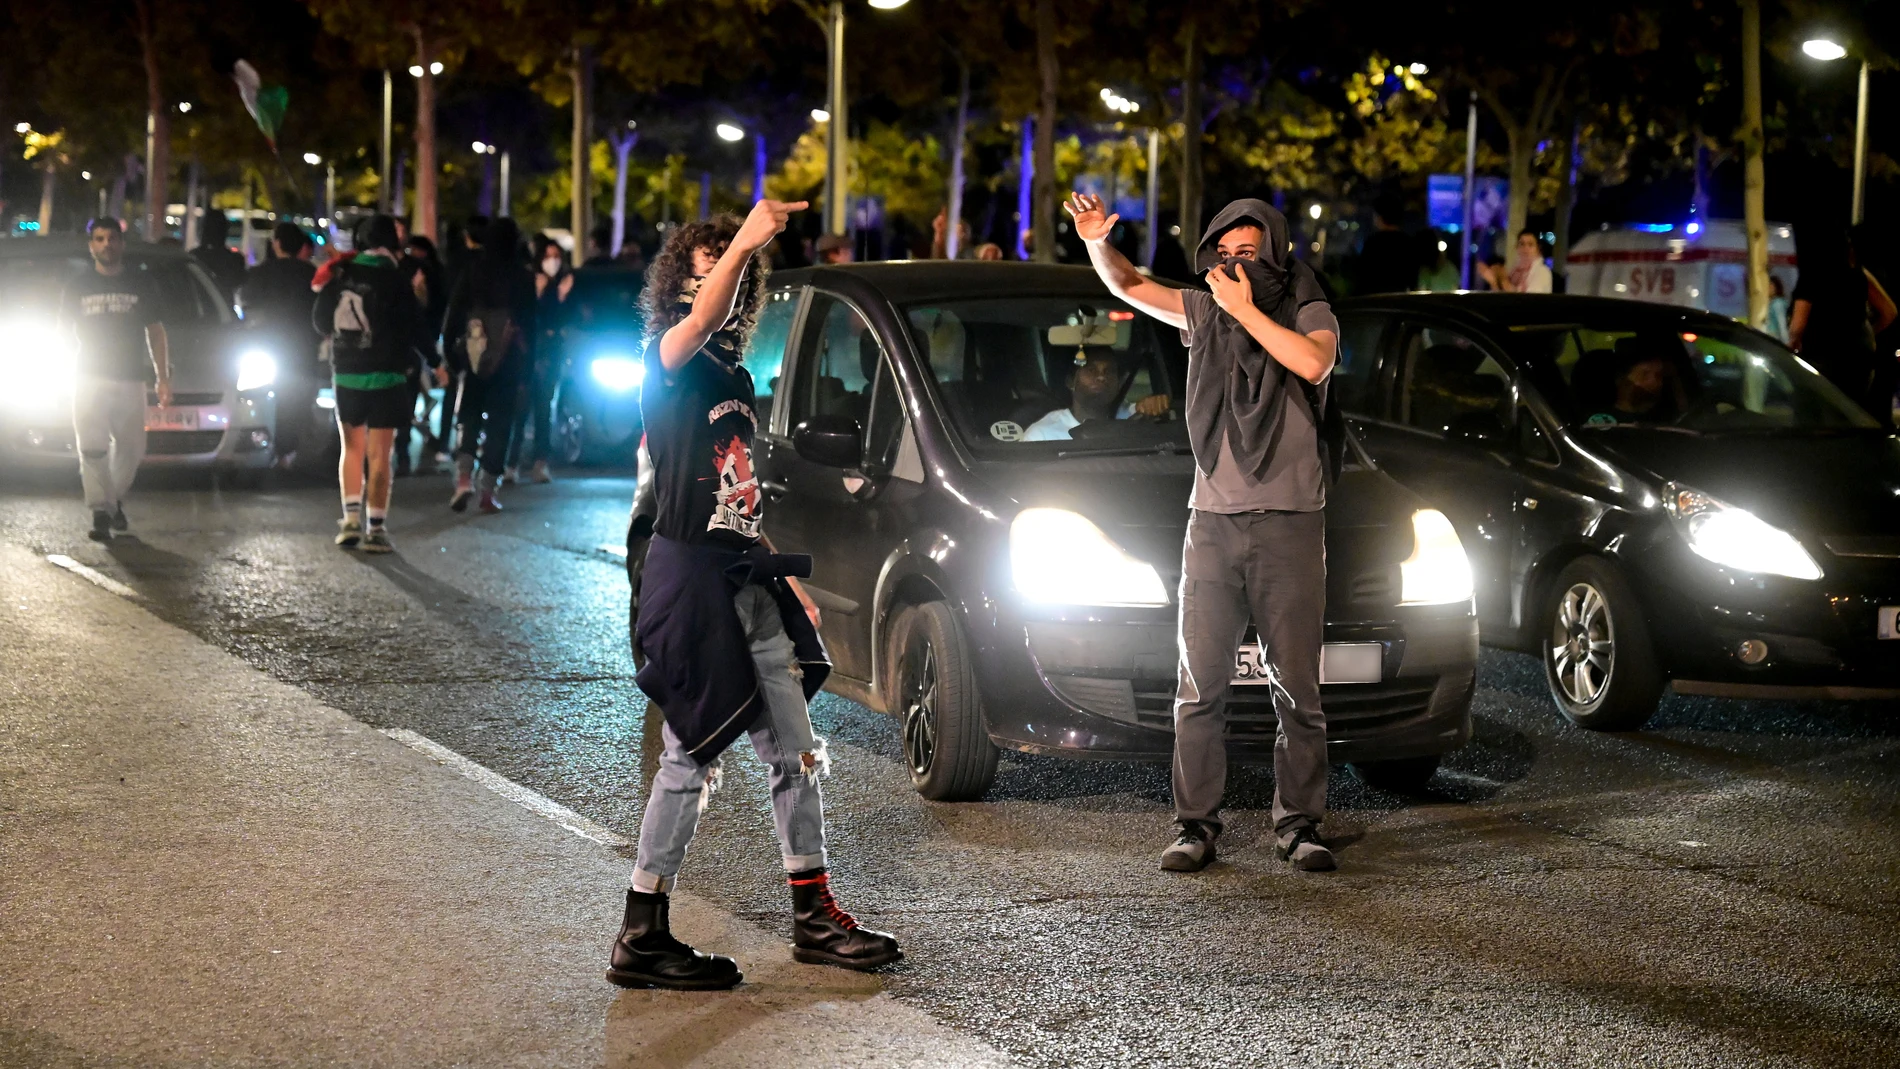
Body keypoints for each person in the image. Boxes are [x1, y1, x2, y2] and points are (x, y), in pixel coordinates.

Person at [607, 197, 902, 991]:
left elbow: (734, 493)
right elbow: (700, 320)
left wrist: (786, 578)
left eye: (737, 282)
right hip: (690, 579)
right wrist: (741, 240)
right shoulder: (664, 358)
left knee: (797, 751)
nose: (727, 296)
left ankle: (813, 910)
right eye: (708, 281)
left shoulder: (733, 376)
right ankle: (642, 928)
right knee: (689, 757)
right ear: (679, 292)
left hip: (745, 576)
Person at [1067, 190, 1341, 874]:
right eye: (1224, 255)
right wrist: (1098, 241)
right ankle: (1195, 826)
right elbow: (1131, 284)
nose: (1235, 267)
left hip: (1291, 523)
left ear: (1275, 254)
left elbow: (1313, 362)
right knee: (1199, 687)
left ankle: (1300, 824)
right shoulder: (1204, 311)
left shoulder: (1306, 302)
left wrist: (1246, 310)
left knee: (1298, 689)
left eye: (1249, 254)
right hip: (1212, 524)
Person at [313, 214, 425, 554]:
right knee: (380, 454)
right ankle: (375, 529)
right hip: (388, 375)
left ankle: (349, 520)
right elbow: (414, 325)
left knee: (352, 448)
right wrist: (435, 361)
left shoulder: (341, 274)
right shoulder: (396, 278)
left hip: (346, 372)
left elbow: (320, 322)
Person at [60, 217, 170, 542]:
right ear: (91, 245)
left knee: (132, 447)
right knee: (92, 447)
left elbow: (156, 332)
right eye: (99, 238)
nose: (106, 244)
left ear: (122, 243)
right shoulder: (77, 286)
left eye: (112, 238)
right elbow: (63, 331)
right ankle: (100, 512)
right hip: (89, 376)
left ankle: (114, 499)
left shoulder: (141, 284)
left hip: (130, 377)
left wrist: (163, 377)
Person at [443, 216, 536, 513]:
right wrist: (529, 366)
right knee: (500, 422)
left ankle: (463, 480)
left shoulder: (473, 271)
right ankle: (487, 493)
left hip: (473, 354)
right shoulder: (522, 276)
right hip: (509, 360)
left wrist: (451, 353)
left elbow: (454, 313)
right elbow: (531, 323)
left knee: (468, 415)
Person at [1791, 229, 1899, 426]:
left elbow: (1797, 326)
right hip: (1859, 362)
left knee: (1815, 422)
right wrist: (1869, 333)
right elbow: (1889, 312)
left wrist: (1791, 347)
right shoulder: (1860, 275)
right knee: (1847, 419)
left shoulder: (1813, 274)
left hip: (1821, 358)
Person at [239, 223, 321, 470]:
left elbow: (247, 302)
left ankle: (267, 444)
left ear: (277, 243)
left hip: (269, 344)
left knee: (267, 396)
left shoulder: (262, 272)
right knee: (296, 399)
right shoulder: (310, 274)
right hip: (304, 346)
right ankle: (288, 449)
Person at [504, 234, 573, 484]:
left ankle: (540, 462)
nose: (552, 261)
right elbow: (525, 313)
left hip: (552, 353)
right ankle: (510, 464)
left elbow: (566, 317)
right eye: (548, 256)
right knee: (520, 409)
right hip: (528, 352)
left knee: (544, 408)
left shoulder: (564, 284)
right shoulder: (529, 282)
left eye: (557, 257)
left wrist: (562, 294)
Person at [1022, 349, 1172, 440]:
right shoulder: (1042, 434)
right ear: (1070, 382)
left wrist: (1158, 407)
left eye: (1109, 371)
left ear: (1119, 383)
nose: (1101, 377)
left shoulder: (1139, 417)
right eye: (1091, 370)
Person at [399, 234, 449, 475]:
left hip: (404, 348)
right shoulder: (420, 271)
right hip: (412, 347)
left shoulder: (412, 270)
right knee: (406, 401)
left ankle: (401, 452)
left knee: (403, 402)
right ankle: (402, 452)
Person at [1356, 195, 1417, 294]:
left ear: (1379, 217)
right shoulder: (1408, 243)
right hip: (1402, 301)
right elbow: (1412, 278)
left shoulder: (1372, 243)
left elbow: (1363, 276)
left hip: (1375, 300)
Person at [192, 212, 249, 299]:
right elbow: (240, 283)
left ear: (202, 230)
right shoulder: (235, 260)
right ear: (225, 230)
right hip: (224, 307)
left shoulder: (193, 257)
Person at [1479, 230, 1552, 293]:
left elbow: (1526, 300)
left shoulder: (1542, 272)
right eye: (1522, 244)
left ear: (1538, 249)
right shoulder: (1515, 270)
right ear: (1517, 247)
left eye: (1530, 244)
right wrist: (1494, 281)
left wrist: (1502, 278)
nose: (1525, 249)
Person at [1765, 275, 1792, 345]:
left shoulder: (1778, 303)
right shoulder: (1772, 303)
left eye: (1771, 286)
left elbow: (1782, 324)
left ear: (1776, 288)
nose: (1768, 289)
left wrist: (1786, 344)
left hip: (1775, 340)